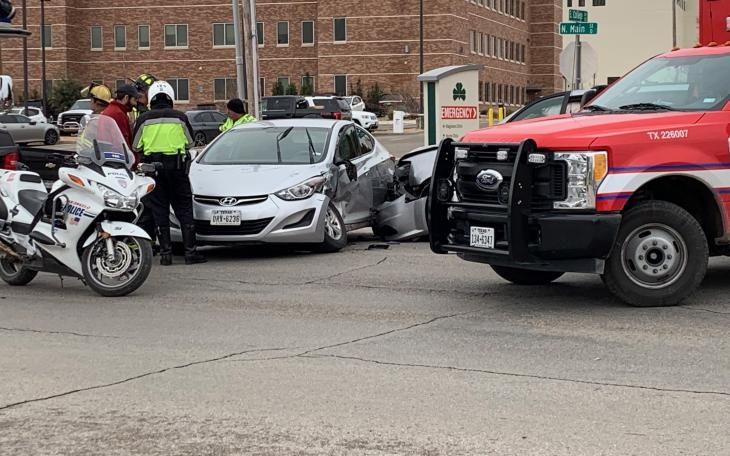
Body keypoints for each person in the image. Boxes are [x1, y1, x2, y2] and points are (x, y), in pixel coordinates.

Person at [132, 80, 206, 266]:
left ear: (151, 99)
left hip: (154, 172)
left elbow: (135, 145)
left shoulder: (143, 119)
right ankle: (190, 253)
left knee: (159, 210)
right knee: (184, 209)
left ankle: (166, 255)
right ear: (171, 98)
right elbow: (190, 142)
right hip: (177, 170)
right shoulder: (180, 117)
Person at [101, 84, 138, 150]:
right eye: (134, 100)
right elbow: (123, 143)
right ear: (126, 98)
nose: (135, 103)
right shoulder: (118, 114)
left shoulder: (112, 109)